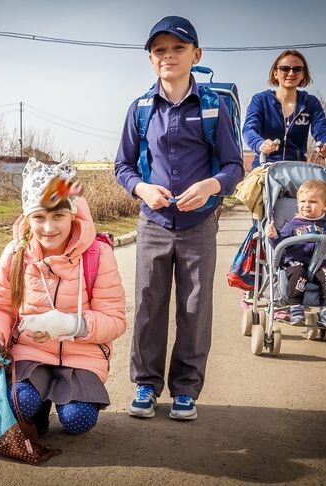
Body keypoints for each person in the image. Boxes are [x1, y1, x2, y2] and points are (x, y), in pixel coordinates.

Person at [114, 16, 244, 421]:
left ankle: (186, 390)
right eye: (160, 51)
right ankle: (146, 385)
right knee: (149, 305)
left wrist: (210, 187)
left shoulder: (214, 107)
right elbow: (122, 166)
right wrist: (142, 189)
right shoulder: (140, 109)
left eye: (178, 49)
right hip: (152, 223)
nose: (168, 56)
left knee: (194, 306)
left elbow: (234, 166)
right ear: (151, 60)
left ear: (196, 55)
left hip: (198, 225)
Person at [0, 159, 126, 436]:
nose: (48, 228)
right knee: (20, 401)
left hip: (83, 355)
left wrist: (73, 325)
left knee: (77, 420)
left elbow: (115, 320)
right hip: (30, 353)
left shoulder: (98, 255)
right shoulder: (16, 254)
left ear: (73, 213)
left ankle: (62, 401)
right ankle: (38, 407)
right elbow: (0, 308)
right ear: (27, 218)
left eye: (58, 215)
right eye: (39, 217)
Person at [266, 179, 326, 327]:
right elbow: (280, 246)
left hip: (322, 265)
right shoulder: (292, 225)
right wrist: (274, 237)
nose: (306, 205)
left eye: (313, 202)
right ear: (297, 203)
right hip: (297, 263)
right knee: (297, 273)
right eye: (302, 201)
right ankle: (296, 308)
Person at [243, 49, 326, 171]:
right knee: (245, 190)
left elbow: (322, 131)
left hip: (298, 171)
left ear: (303, 74)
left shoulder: (310, 103)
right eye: (285, 69)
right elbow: (249, 129)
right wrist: (260, 144)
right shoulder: (260, 100)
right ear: (275, 73)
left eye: (297, 69)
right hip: (264, 169)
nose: (291, 73)